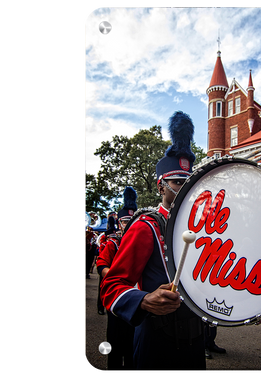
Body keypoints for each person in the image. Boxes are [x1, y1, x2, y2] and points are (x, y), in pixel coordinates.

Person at [100, 111, 205, 373]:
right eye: (177, 182)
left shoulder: (202, 229)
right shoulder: (146, 226)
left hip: (195, 341)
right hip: (157, 341)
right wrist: (145, 300)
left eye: (189, 182)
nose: (184, 188)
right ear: (161, 187)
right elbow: (111, 287)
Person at [96, 187, 138, 374]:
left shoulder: (139, 240)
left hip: (135, 297)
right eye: (124, 222)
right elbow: (101, 263)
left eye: (131, 221)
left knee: (132, 341)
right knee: (114, 340)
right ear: (119, 223)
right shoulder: (113, 243)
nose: (127, 225)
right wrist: (115, 279)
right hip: (116, 296)